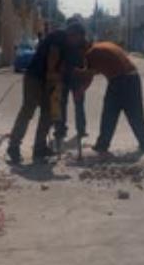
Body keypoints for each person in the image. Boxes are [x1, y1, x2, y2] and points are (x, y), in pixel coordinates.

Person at [7, 22, 87, 164]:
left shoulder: (74, 47)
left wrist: (77, 88)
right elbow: (53, 58)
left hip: (51, 81)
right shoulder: (58, 37)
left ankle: (40, 147)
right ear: (72, 34)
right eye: (77, 38)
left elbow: (74, 70)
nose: (78, 42)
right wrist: (53, 78)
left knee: (48, 114)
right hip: (35, 78)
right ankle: (13, 147)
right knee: (27, 111)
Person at [76, 41, 144, 154]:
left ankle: (102, 145)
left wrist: (80, 87)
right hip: (133, 77)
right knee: (135, 114)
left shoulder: (91, 54)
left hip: (119, 80)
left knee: (109, 113)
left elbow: (90, 74)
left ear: (82, 50)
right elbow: (101, 68)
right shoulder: (104, 45)